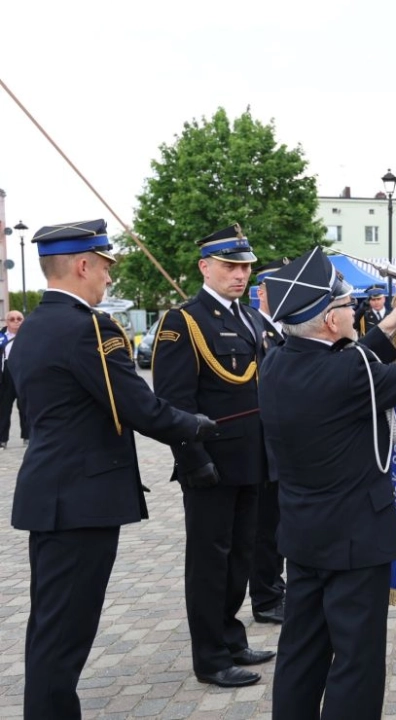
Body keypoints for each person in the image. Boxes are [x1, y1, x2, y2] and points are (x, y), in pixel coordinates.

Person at [9, 219, 217, 719]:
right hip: (80, 501)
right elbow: (138, 406)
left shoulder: (36, 323)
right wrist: (196, 425)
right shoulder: (89, 327)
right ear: (83, 265)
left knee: (52, 627)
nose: (108, 279)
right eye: (104, 267)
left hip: (53, 494)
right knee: (65, 633)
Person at [258, 246, 396, 720]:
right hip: (354, 538)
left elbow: (347, 372)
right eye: (348, 306)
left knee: (301, 652)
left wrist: (391, 323)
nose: (355, 310)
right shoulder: (348, 372)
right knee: (356, 660)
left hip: (304, 535)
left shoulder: (276, 363)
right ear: (330, 320)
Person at [153, 223, 276, 688]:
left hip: (252, 459)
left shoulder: (248, 317)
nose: (239, 274)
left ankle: (230, 636)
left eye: (244, 267)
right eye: (229, 266)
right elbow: (173, 402)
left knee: (240, 555)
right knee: (209, 562)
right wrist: (193, 461)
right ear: (205, 267)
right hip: (211, 464)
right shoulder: (183, 321)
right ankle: (209, 657)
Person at [248, 258, 290, 625]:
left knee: (278, 523)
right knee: (264, 528)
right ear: (262, 292)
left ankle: (274, 587)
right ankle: (265, 596)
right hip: (259, 447)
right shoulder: (253, 329)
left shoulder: (283, 331)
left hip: (283, 446)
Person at [0, 310, 29, 448]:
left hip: (24, 372)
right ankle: (2, 439)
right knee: (4, 408)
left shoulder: (29, 336)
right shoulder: (1, 337)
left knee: (25, 407)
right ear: (7, 322)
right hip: (6, 375)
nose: (16, 321)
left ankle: (27, 436)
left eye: (19, 319)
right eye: (12, 319)